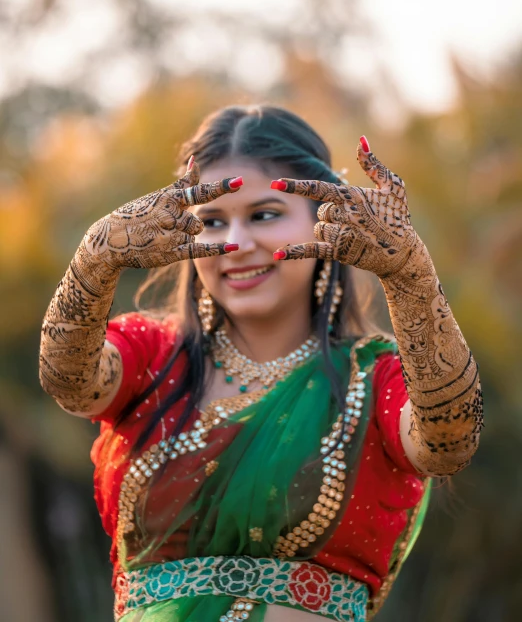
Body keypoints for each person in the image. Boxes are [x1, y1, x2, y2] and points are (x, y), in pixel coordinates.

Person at [39, 105, 483, 622]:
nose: (239, 244)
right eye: (212, 220)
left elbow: (449, 440)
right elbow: (68, 381)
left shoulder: (373, 379)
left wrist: (411, 276)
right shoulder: (150, 358)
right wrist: (96, 258)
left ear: (325, 218)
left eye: (264, 214)